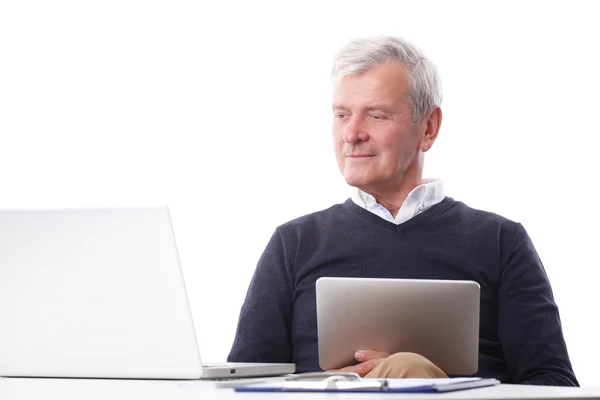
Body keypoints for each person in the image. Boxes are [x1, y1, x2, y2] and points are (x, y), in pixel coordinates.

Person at [227, 35, 578, 386]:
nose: (351, 134)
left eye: (375, 115)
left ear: (428, 128)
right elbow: (243, 383)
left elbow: (554, 385)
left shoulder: (501, 241)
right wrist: (332, 385)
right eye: (341, 115)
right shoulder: (294, 243)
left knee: (408, 367)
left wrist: (417, 377)